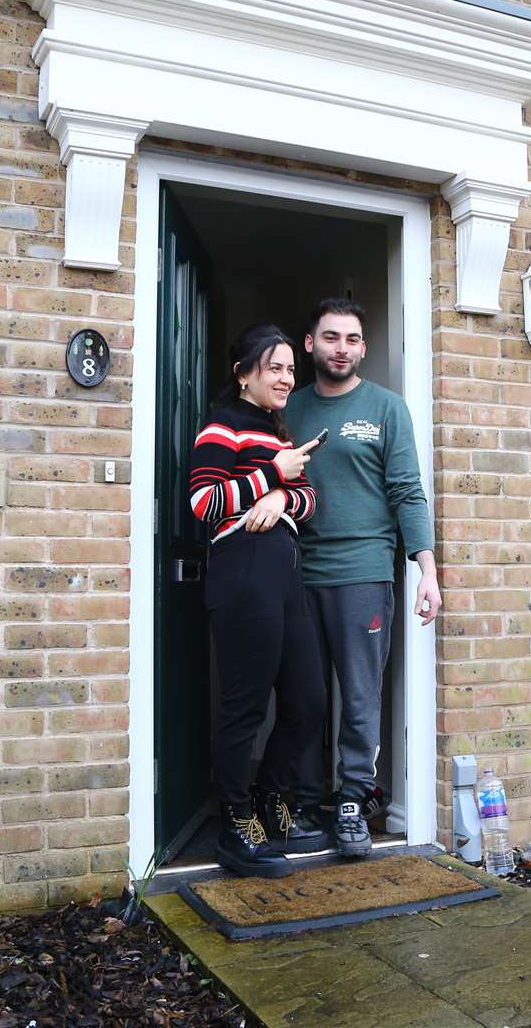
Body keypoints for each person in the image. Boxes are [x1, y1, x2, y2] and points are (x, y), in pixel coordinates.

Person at [285, 298, 440, 859]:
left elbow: (407, 491)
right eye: (330, 337)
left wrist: (427, 571)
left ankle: (352, 799)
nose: (341, 348)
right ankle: (301, 802)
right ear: (310, 344)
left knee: (358, 694)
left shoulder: (386, 408)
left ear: (363, 348)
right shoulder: (290, 409)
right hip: (297, 572)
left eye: (351, 339)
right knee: (301, 696)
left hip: (364, 573)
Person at [189, 323, 331, 878]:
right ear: (243, 372)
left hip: (283, 572)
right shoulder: (221, 428)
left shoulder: (279, 432)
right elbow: (204, 502)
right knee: (245, 707)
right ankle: (237, 820)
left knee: (309, 700)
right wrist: (273, 476)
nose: (286, 377)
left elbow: (308, 499)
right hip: (242, 570)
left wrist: (282, 494)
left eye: (291, 369)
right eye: (275, 367)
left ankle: (275, 800)